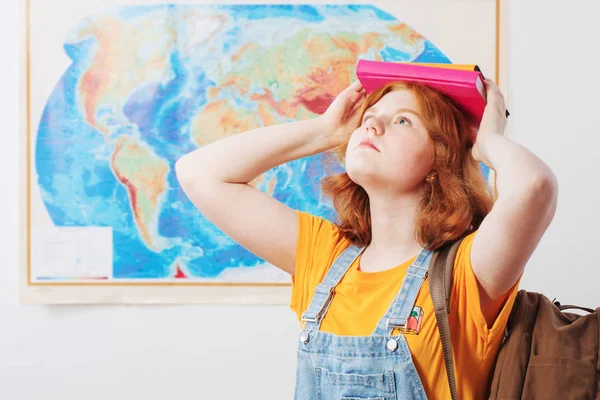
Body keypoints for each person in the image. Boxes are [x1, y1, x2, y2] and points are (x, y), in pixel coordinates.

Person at [175, 76, 558, 399]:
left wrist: (485, 141)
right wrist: (326, 131)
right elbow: (198, 173)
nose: (372, 126)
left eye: (403, 121)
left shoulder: (467, 270)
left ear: (439, 158)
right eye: (369, 118)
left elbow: (533, 186)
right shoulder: (324, 256)